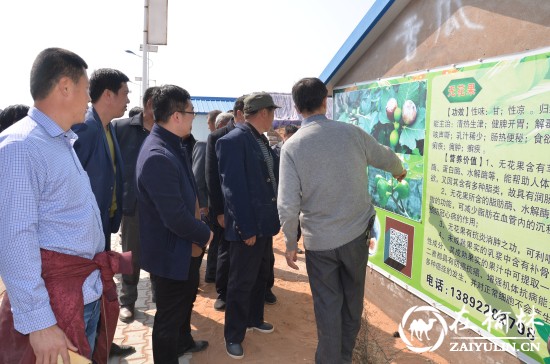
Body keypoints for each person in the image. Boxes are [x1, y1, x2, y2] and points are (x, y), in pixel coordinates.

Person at [0, 47, 132, 363]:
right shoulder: (21, 146)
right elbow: (15, 239)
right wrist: (39, 323)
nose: (89, 98)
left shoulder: (61, 142)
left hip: (81, 294)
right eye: (86, 89)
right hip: (55, 305)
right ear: (64, 87)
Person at [278, 77, 407, 364]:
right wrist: (399, 170)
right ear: (325, 101)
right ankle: (344, 358)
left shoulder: (292, 147)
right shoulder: (352, 133)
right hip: (355, 238)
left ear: (298, 108)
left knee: (327, 311)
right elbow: (384, 156)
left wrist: (289, 241)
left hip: (319, 244)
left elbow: (287, 204)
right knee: (352, 305)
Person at [136, 85, 213, 364]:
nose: (195, 117)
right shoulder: (159, 154)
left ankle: (184, 343)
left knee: (183, 306)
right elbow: (175, 217)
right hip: (171, 253)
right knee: (168, 318)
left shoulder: (172, 144)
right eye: (192, 112)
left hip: (183, 248)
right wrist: (206, 234)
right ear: (177, 116)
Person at [71, 68, 135, 357]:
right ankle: (92, 345)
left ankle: (103, 342)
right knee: (88, 294)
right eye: (124, 93)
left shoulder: (108, 128)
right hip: (83, 234)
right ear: (108, 94)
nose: (127, 99)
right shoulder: (86, 129)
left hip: (103, 227)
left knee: (101, 287)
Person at [216, 92, 281, 360]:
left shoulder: (260, 139)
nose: (274, 118)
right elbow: (233, 190)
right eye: (272, 113)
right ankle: (233, 335)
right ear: (263, 113)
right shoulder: (233, 140)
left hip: (264, 225)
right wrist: (246, 228)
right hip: (248, 229)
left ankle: (254, 318)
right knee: (241, 282)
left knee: (258, 277)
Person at [112, 86, 159, 324]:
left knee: (160, 254)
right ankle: (127, 302)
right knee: (131, 255)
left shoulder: (166, 129)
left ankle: (160, 299)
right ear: (150, 103)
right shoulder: (121, 128)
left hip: (161, 206)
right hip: (133, 204)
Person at [205, 95, 247, 311]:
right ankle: (222, 292)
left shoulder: (255, 136)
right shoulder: (218, 137)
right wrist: (219, 211)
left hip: (247, 205)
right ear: (239, 113)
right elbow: (212, 176)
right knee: (225, 249)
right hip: (225, 207)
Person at [196, 110, 221, 283]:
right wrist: (203, 204)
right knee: (207, 240)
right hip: (208, 206)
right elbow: (198, 177)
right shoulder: (204, 146)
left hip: (219, 205)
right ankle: (210, 274)